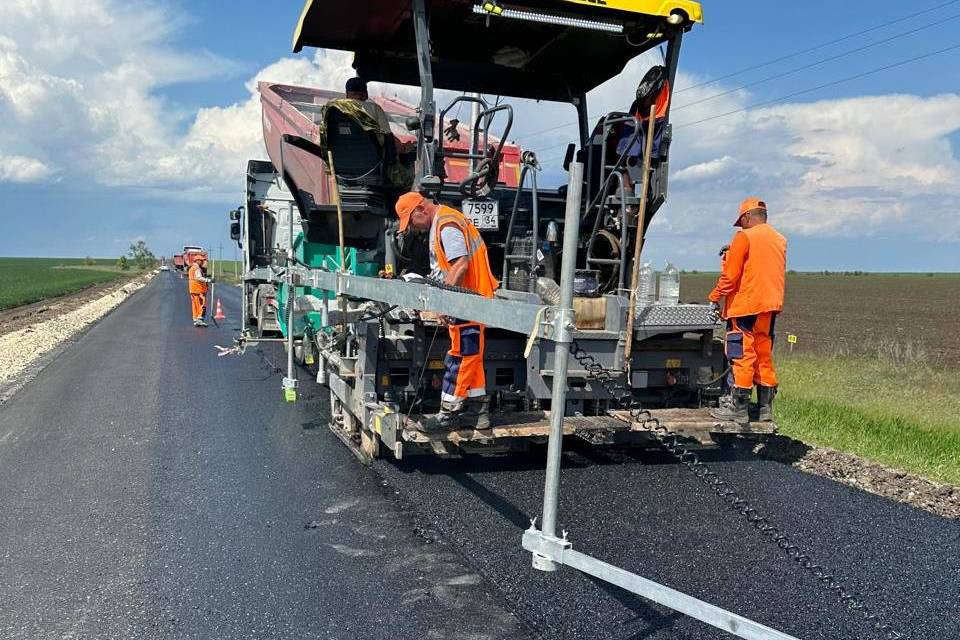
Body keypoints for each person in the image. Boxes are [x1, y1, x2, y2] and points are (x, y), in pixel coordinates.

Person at [394, 191, 499, 430]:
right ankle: (478, 412)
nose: (414, 228)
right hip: (470, 300)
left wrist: (443, 302)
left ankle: (447, 415)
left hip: (468, 301)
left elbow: (461, 264)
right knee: (471, 357)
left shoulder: (446, 223)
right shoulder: (445, 221)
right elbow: (448, 267)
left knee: (461, 356)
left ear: (420, 210)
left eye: (411, 222)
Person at [708, 197, 787, 425]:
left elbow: (731, 277)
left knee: (741, 353)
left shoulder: (744, 237)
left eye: (741, 222)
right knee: (763, 354)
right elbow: (761, 266)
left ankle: (739, 408)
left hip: (746, 306)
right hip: (769, 308)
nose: (740, 226)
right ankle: (764, 409)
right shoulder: (779, 239)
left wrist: (714, 297)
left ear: (746, 217)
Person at [188, 256, 213, 327]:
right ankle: (199, 319)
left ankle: (196, 319)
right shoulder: (197, 268)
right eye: (201, 261)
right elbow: (199, 278)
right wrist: (209, 280)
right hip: (198, 289)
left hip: (193, 289)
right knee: (201, 304)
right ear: (197, 260)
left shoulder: (191, 268)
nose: (202, 262)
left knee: (195, 305)